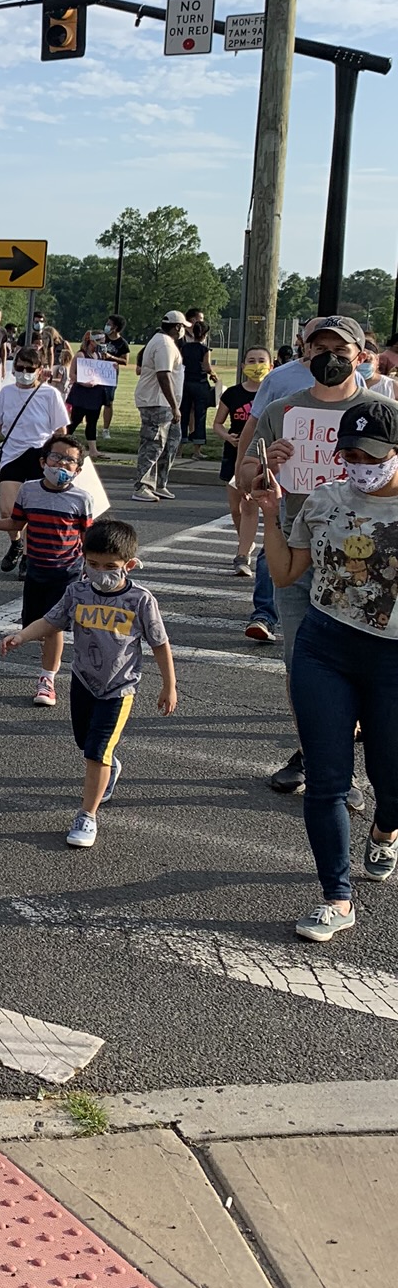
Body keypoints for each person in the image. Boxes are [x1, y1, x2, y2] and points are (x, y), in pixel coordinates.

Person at [249, 401, 398, 942]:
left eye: (371, 457)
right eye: (350, 456)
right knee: (326, 780)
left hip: (392, 661)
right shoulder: (323, 500)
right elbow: (286, 572)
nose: (360, 466)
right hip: (325, 648)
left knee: (391, 780)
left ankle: (385, 830)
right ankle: (337, 896)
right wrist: (269, 512)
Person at [235, 313, 382, 798]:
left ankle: (339, 761)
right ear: (305, 352)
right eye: (320, 349)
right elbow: (246, 476)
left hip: (362, 560)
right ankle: (319, 759)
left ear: (361, 356)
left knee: (360, 668)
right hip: (298, 550)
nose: (329, 358)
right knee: (302, 666)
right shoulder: (284, 409)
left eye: (340, 351)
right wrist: (265, 469)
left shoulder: (382, 411)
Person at [0, 517, 176, 848]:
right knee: (85, 743)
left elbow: (159, 643)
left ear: (129, 565)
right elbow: (51, 621)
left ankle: (87, 815)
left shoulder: (139, 600)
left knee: (95, 753)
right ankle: (110, 763)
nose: (100, 572)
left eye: (110, 566)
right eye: (93, 564)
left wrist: (169, 686)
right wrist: (22, 636)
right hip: (83, 681)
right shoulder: (77, 591)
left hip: (118, 689)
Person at [0, 432, 94, 706]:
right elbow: (16, 523)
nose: (62, 464)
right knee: (37, 626)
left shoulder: (81, 499)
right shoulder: (29, 490)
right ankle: (49, 660)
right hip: (36, 570)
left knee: (53, 626)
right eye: (56, 457)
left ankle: (47, 680)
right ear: (43, 461)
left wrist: (94, 571)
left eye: (70, 461)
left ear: (78, 470)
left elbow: (88, 540)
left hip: (66, 573)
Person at [0, 347, 71, 574]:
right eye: (20, 368)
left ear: (39, 370)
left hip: (39, 454)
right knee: (8, 510)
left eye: (29, 369)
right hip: (12, 453)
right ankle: (16, 543)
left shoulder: (50, 394)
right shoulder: (7, 392)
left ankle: (27, 556)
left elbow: (61, 430)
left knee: (33, 510)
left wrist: (60, 457)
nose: (24, 373)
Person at [213, 346, 272, 587]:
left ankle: (243, 553)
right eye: (251, 360)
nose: (256, 365)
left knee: (250, 505)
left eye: (261, 360)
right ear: (243, 365)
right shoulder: (233, 394)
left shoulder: (273, 393)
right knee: (236, 507)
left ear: (271, 365)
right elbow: (217, 423)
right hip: (234, 453)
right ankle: (245, 541)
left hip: (259, 455)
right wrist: (227, 437)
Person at [132, 310, 187, 501]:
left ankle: (159, 483)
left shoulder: (164, 342)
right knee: (154, 443)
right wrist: (174, 406)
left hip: (164, 403)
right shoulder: (164, 344)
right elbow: (163, 375)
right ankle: (142, 485)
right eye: (183, 327)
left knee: (171, 442)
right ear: (177, 327)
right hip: (157, 401)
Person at [177, 314, 217, 458]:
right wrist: (214, 375)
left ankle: (179, 449)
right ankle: (197, 450)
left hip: (185, 383)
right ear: (205, 334)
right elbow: (206, 367)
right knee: (200, 415)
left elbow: (180, 364)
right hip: (200, 384)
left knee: (183, 414)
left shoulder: (184, 347)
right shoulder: (205, 349)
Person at [66, 331, 109, 444]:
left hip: (96, 393)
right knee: (75, 420)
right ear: (92, 341)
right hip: (82, 394)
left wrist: (112, 367)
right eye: (100, 342)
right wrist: (83, 383)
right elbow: (72, 374)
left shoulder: (99, 355)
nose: (102, 344)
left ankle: (93, 449)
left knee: (92, 421)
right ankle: (62, 441)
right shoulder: (81, 355)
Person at [98, 316, 129, 440]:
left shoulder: (122, 343)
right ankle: (92, 426)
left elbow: (125, 361)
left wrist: (111, 357)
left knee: (108, 402)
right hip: (96, 373)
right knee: (94, 401)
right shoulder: (101, 338)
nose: (106, 326)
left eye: (109, 324)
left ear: (115, 327)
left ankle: (105, 429)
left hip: (110, 376)